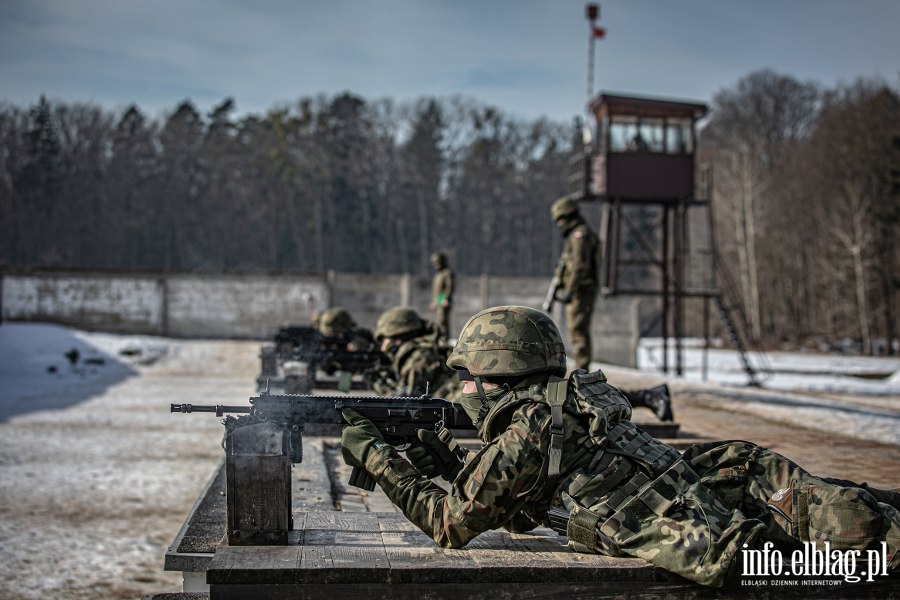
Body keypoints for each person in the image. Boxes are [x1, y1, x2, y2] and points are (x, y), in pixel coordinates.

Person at [340, 305, 899, 587]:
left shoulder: (525, 429)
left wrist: (377, 458)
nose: (462, 390)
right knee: (820, 504)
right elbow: (520, 489)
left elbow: (447, 526)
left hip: (696, 532)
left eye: (469, 378)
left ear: (498, 373)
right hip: (691, 486)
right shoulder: (566, 396)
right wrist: (452, 462)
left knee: (839, 540)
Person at [550, 196, 672, 421]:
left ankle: (583, 377)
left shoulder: (580, 236)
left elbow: (578, 266)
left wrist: (571, 288)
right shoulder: (578, 236)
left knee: (579, 335)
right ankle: (585, 378)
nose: (560, 225)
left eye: (560, 220)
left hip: (581, 292)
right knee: (578, 335)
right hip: (580, 292)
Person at [370, 306, 458, 401]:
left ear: (398, 337)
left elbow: (406, 404)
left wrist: (378, 384)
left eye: (385, 340)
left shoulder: (419, 358)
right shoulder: (427, 349)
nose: (383, 348)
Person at [429, 252, 455, 342]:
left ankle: (445, 340)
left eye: (438, 262)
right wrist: (434, 301)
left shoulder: (447, 273)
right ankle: (441, 338)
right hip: (439, 299)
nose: (436, 264)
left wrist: (446, 298)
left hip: (444, 300)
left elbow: (449, 287)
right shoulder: (438, 275)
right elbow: (436, 291)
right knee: (439, 320)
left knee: (443, 320)